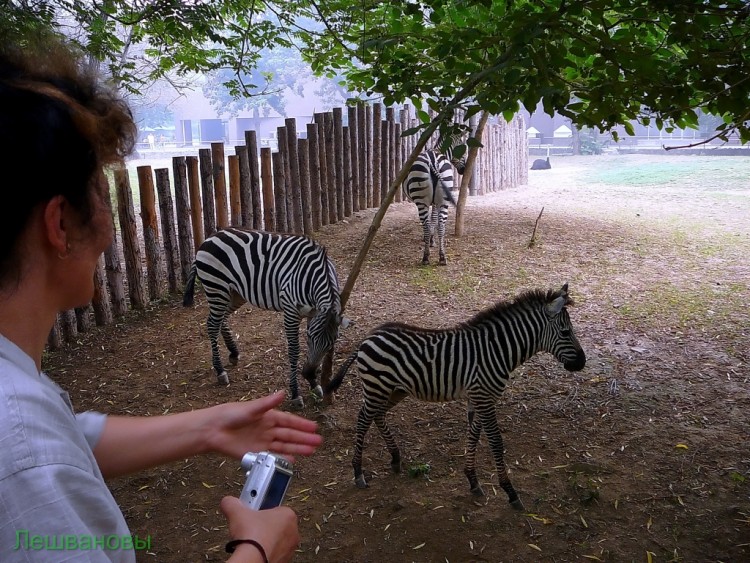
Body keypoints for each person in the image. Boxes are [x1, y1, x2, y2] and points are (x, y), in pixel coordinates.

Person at [0, 35, 322, 562]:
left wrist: (208, 426)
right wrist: (258, 553)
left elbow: (66, 438)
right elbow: (38, 454)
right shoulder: (23, 455)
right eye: (101, 191)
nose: (109, 220)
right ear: (60, 224)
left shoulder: (19, 395)